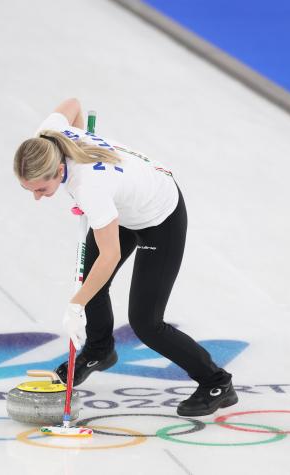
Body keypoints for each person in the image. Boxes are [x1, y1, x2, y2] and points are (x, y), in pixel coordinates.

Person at [13, 98, 237, 417]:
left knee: (146, 322)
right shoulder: (46, 137)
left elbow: (110, 256)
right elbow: (73, 104)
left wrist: (74, 306)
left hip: (161, 215)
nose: (37, 198)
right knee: (90, 281)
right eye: (29, 190)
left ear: (60, 169)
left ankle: (217, 382)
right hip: (125, 206)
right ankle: (99, 350)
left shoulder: (89, 185)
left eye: (41, 189)